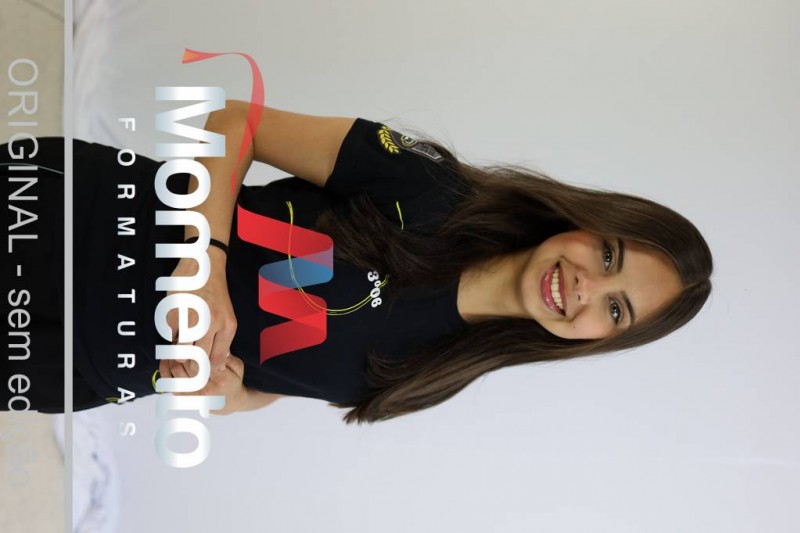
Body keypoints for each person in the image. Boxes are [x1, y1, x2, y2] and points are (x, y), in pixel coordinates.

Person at [1, 100, 712, 423]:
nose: (587, 287)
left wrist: (234, 393)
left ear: (600, 339)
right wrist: (206, 260)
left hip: (81, 365)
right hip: (74, 226)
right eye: (609, 254)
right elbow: (235, 121)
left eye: (615, 308)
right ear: (588, 221)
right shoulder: (430, 189)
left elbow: (288, 374)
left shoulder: (438, 373)